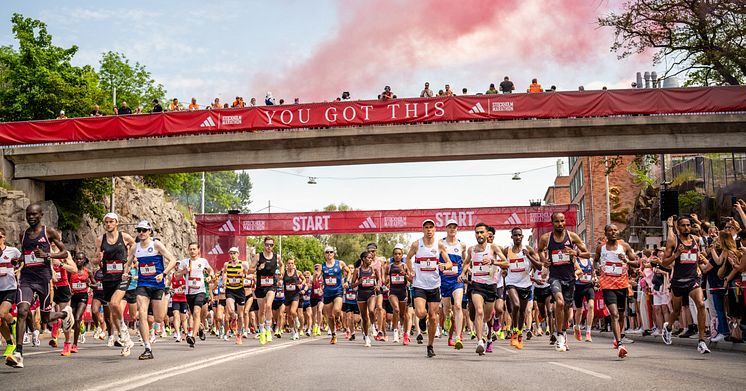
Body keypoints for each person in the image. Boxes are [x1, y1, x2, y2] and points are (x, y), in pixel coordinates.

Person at [6, 204, 73, 368]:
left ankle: (64, 315)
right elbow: (26, 255)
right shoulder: (24, 235)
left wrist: (48, 255)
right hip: (27, 278)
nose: (31, 217)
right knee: (22, 311)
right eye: (28, 214)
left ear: (41, 215)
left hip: (43, 279)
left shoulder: (48, 232)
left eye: (34, 214)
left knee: (45, 318)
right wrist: (19, 260)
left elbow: (65, 253)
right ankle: (18, 353)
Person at [537, 212, 591, 352]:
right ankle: (560, 336)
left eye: (562, 221)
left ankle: (563, 330)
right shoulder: (546, 238)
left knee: (567, 308)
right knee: (559, 303)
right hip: (555, 277)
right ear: (552, 222)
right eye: (557, 221)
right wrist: (544, 261)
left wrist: (576, 253)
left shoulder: (572, 236)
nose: (560, 224)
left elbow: (587, 253)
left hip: (570, 277)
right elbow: (540, 251)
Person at [127, 220, 177, 360]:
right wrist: (126, 272)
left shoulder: (156, 244)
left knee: (159, 318)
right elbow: (129, 261)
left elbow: (172, 260)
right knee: (142, 313)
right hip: (142, 284)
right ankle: (147, 347)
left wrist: (164, 274)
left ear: (149, 231)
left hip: (157, 284)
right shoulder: (135, 247)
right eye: (139, 230)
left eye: (144, 230)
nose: (141, 233)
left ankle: (166, 297)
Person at [661, 216, 711, 354]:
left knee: (700, 304)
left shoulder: (695, 239)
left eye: (688, 225)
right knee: (676, 311)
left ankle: (701, 341)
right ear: (678, 227)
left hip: (692, 280)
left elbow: (699, 255)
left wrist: (701, 258)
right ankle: (669, 327)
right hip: (678, 281)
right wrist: (676, 254)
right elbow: (664, 262)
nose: (686, 228)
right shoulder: (673, 240)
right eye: (683, 225)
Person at [406, 218, 453, 358]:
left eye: (431, 227)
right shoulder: (416, 244)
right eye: (426, 227)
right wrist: (410, 271)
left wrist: (445, 266)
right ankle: (421, 319)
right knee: (421, 312)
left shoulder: (439, 245)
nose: (429, 230)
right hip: (419, 284)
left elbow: (450, 262)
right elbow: (408, 258)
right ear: (423, 229)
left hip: (434, 285)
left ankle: (430, 345)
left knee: (433, 318)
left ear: (435, 229)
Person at [460, 223, 507, 355]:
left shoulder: (494, 248)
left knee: (486, 316)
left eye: (482, 232)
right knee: (479, 311)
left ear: (487, 234)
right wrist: (463, 273)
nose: (479, 235)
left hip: (491, 286)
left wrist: (493, 262)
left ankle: (487, 329)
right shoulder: (471, 249)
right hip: (476, 285)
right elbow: (467, 262)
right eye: (477, 233)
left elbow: (506, 263)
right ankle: (480, 341)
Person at [93, 212, 136, 356]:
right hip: (107, 277)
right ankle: (125, 338)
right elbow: (94, 259)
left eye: (111, 222)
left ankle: (123, 329)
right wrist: (98, 258)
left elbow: (135, 248)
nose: (109, 224)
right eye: (106, 222)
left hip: (123, 276)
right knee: (112, 308)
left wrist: (130, 261)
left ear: (117, 223)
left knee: (115, 303)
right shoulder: (100, 239)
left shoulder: (125, 237)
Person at [595, 224, 639, 358]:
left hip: (622, 284)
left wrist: (626, 260)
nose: (613, 232)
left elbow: (636, 263)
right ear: (606, 233)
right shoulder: (601, 248)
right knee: (614, 314)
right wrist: (595, 274)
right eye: (610, 230)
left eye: (615, 230)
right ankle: (620, 344)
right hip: (607, 285)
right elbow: (595, 261)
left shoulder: (624, 246)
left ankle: (617, 337)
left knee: (621, 315)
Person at [503, 227, 542, 350]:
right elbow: (503, 264)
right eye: (515, 235)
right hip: (511, 282)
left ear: (522, 237)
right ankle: (514, 330)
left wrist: (529, 257)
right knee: (516, 305)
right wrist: (504, 270)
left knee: (523, 312)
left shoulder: (528, 249)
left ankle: (519, 333)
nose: (517, 237)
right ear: (512, 237)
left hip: (525, 284)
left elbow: (540, 266)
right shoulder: (507, 250)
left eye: (519, 235)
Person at [439, 219, 466, 350]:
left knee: (458, 306)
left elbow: (466, 261)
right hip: (444, 281)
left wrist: (463, 273)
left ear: (457, 229)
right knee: (447, 310)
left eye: (454, 227)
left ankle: (458, 337)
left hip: (457, 280)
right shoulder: (440, 243)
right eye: (450, 227)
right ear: (446, 228)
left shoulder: (462, 245)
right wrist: (441, 266)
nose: (452, 229)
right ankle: (448, 320)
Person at [250, 237, 281, 345]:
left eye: (271, 245)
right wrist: (258, 268)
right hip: (260, 286)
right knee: (261, 311)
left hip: (271, 285)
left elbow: (282, 266)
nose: (269, 247)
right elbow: (250, 269)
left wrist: (279, 275)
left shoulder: (277, 257)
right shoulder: (258, 256)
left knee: (268, 306)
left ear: (273, 246)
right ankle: (262, 331)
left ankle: (268, 330)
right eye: (267, 245)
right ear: (264, 245)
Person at [351, 251, 380, 347]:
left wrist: (377, 286)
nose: (370, 260)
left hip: (371, 293)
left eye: (371, 258)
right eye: (368, 258)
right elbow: (352, 285)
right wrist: (358, 282)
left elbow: (379, 281)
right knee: (364, 317)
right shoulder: (357, 271)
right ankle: (367, 337)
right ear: (363, 259)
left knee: (371, 310)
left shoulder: (373, 269)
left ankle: (373, 326)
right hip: (361, 294)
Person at [321, 246, 349, 344]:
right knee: (329, 316)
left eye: (331, 252)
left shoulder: (340, 263)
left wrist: (347, 282)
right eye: (327, 252)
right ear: (325, 254)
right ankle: (333, 334)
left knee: (337, 310)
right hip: (327, 292)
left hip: (338, 291)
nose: (329, 254)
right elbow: (318, 279)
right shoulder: (322, 266)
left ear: (334, 253)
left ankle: (338, 320)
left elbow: (348, 271)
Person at [0, 227, 21, 359]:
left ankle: (13, 322)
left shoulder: (12, 251)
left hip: (9, 288)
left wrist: (18, 269)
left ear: (4, 237)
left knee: (2, 313)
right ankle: (10, 343)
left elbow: (23, 260)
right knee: (1, 321)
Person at [51, 248, 77, 355]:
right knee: (48, 314)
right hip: (50, 287)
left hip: (63, 288)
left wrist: (60, 264)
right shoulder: (44, 252)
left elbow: (74, 269)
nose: (52, 242)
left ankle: (67, 344)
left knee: (66, 317)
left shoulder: (65, 253)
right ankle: (55, 333)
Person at [384, 244, 411, 345]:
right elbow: (384, 280)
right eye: (395, 254)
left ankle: (403, 330)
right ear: (393, 255)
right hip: (393, 292)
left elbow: (411, 280)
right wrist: (386, 280)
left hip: (403, 292)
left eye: (399, 254)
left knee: (403, 315)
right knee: (396, 309)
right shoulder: (389, 267)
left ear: (402, 255)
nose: (397, 256)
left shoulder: (405, 266)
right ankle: (395, 332)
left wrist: (405, 275)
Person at [68, 252, 94, 354]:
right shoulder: (71, 272)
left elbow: (95, 285)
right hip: (73, 297)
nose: (79, 261)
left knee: (78, 318)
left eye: (81, 259)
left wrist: (89, 283)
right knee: (72, 320)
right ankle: (80, 328)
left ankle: (74, 345)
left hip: (83, 297)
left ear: (84, 260)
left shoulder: (88, 272)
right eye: (77, 259)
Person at [223, 247, 249, 345]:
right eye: (231, 253)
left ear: (238, 254)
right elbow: (224, 273)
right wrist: (224, 281)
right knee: (230, 310)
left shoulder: (243, 264)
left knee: (241, 315)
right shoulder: (226, 264)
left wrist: (244, 275)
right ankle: (233, 317)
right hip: (230, 290)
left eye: (234, 253)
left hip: (240, 290)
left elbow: (251, 275)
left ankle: (239, 335)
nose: (232, 255)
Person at [282, 257, 304, 340]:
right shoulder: (284, 273)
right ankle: (293, 332)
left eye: (292, 263)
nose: (290, 265)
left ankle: (297, 319)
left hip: (295, 294)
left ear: (294, 264)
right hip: (287, 295)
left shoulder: (297, 272)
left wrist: (301, 284)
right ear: (287, 265)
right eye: (289, 263)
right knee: (289, 316)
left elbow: (304, 279)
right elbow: (279, 279)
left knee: (292, 311)